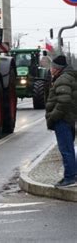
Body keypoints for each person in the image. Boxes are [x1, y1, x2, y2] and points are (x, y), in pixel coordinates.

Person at [45, 55, 77, 188]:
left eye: (51, 67)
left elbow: (64, 101)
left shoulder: (62, 79)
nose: (50, 70)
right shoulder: (66, 77)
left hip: (63, 119)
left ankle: (70, 178)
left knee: (66, 149)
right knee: (68, 148)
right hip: (68, 118)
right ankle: (72, 175)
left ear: (57, 68)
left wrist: (53, 116)